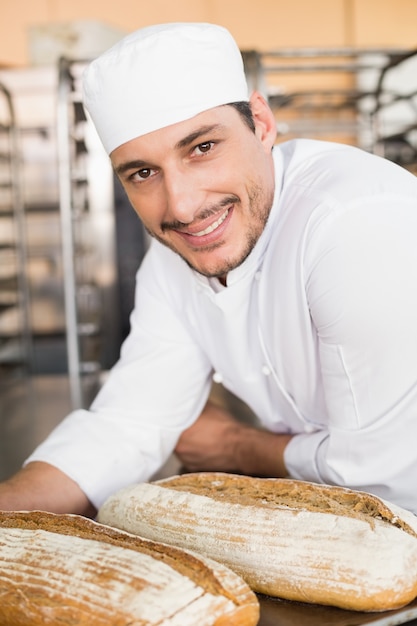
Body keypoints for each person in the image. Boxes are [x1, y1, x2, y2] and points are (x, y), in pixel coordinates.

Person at [1, 22, 417, 517]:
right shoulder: (174, 258)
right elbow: (128, 426)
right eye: (143, 173)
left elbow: (384, 482)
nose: (180, 206)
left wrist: (240, 447)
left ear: (261, 124)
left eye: (201, 148)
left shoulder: (351, 223)